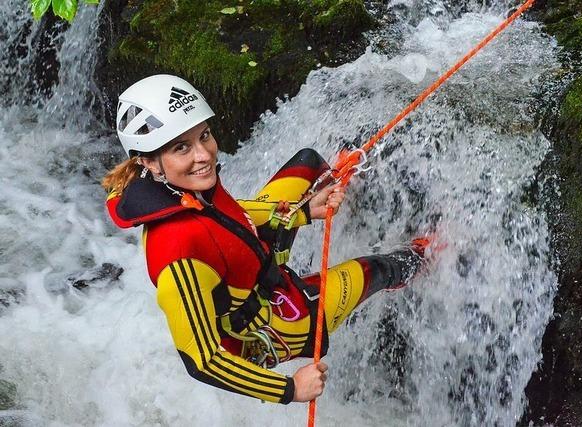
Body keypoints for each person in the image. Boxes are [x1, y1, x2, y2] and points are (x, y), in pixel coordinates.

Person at [102, 74, 435, 404]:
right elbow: (201, 360)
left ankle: (338, 180)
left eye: (204, 136)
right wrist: (289, 389)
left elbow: (227, 215)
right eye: (181, 147)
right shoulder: (177, 254)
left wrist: (304, 212)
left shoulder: (183, 186)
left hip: (257, 266)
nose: (204, 155)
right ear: (148, 162)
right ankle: (430, 255)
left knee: (309, 163)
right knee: (380, 268)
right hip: (271, 326)